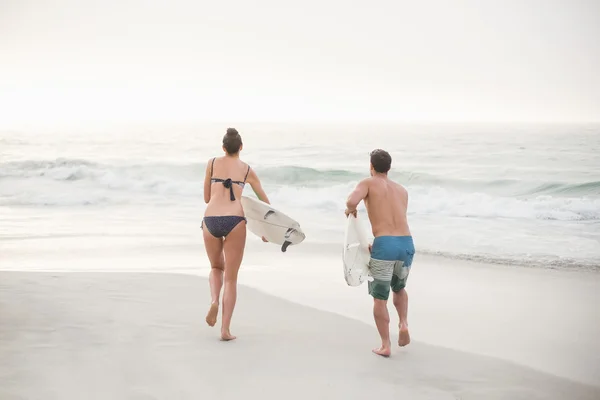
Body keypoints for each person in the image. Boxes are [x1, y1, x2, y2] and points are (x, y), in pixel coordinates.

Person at [344, 149, 416, 357]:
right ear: (390, 167)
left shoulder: (368, 182)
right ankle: (403, 324)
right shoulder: (402, 190)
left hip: (384, 245)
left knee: (379, 298)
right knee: (399, 289)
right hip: (406, 243)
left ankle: (385, 345)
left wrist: (351, 211)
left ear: (371, 166)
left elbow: (351, 201)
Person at [202, 127, 270, 341]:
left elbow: (206, 198)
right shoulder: (247, 170)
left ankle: (214, 300)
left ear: (223, 147)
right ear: (241, 147)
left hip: (210, 219)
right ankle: (225, 330)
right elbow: (264, 202)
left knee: (215, 267)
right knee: (231, 278)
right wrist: (266, 229)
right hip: (235, 221)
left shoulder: (212, 163)